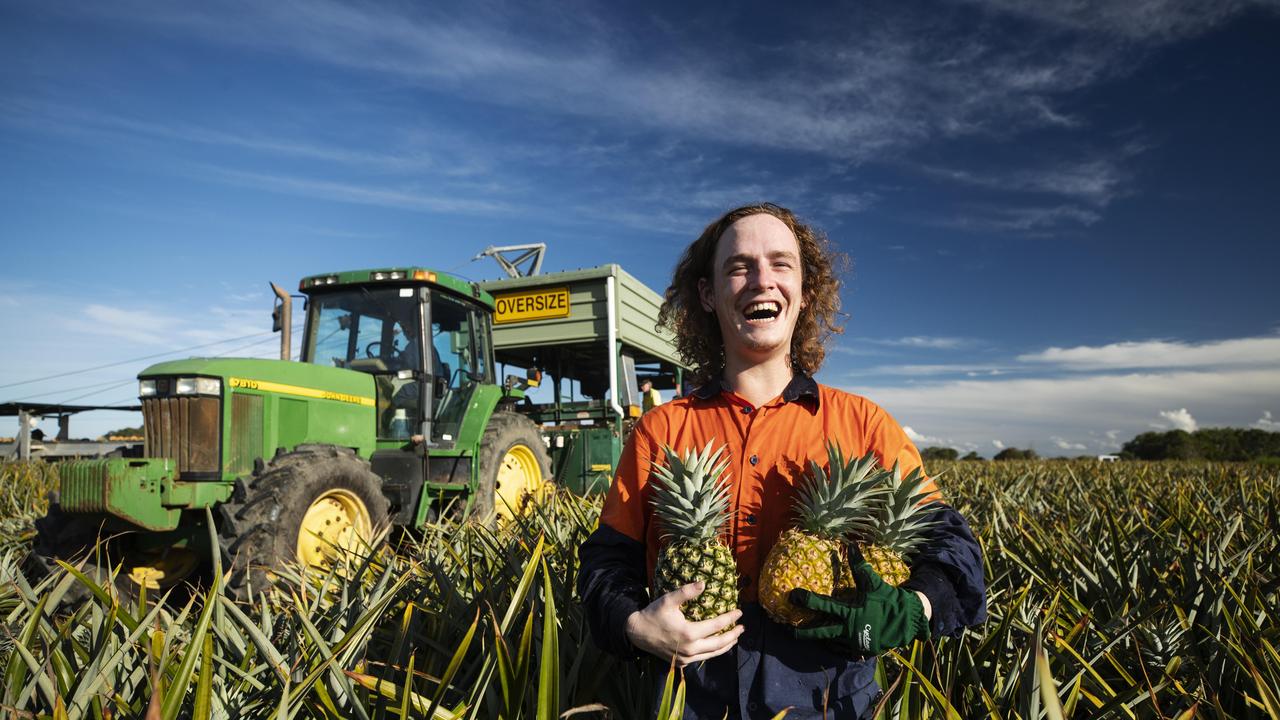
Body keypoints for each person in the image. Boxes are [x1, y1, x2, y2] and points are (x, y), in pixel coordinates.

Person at [576, 203, 986, 718]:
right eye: (739, 266)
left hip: (833, 696)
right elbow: (606, 561)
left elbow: (950, 545)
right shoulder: (662, 429)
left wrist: (916, 606)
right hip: (690, 696)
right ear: (707, 294)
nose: (761, 280)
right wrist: (635, 625)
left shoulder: (863, 425)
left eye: (780, 263)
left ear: (805, 293)